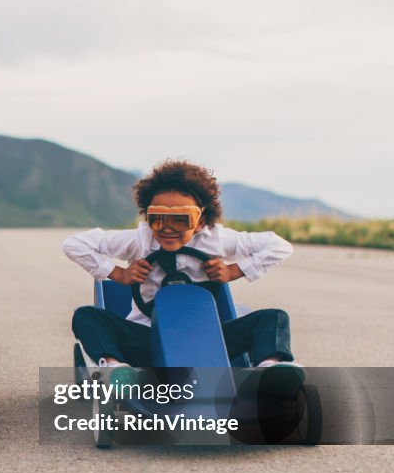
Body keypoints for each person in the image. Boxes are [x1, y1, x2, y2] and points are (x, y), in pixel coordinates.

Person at [64, 159, 297, 374]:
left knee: (274, 318)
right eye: (158, 218)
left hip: (208, 336)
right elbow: (75, 244)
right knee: (86, 316)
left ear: (200, 222)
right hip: (147, 337)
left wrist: (234, 271)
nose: (167, 228)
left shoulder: (215, 240)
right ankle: (115, 368)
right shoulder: (139, 241)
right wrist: (118, 274)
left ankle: (269, 368)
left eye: (181, 219)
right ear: (148, 217)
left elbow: (279, 246)